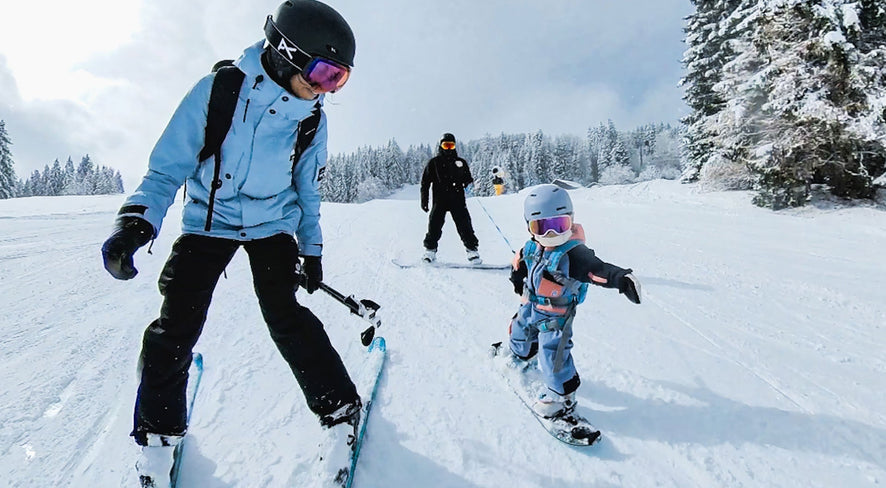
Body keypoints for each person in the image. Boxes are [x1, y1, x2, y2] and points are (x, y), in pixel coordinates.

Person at [100, 1, 360, 486]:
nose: (326, 89)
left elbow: (308, 191)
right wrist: (136, 221)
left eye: (339, 80)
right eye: (324, 73)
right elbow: (167, 166)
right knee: (174, 326)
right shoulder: (217, 92)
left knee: (286, 317)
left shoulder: (311, 120)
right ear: (286, 52)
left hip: (271, 225)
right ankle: (158, 436)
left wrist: (312, 249)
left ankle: (340, 408)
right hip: (208, 222)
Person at [504, 184, 641, 418]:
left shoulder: (573, 254)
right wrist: (517, 279)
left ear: (571, 221)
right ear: (529, 227)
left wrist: (621, 279)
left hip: (556, 317)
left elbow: (597, 270)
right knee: (519, 330)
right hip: (530, 306)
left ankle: (562, 396)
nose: (552, 235)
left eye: (559, 226)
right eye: (542, 227)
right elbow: (520, 265)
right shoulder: (531, 246)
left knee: (554, 354)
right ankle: (521, 355)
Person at [420, 133, 481, 264]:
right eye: (445, 145)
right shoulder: (434, 163)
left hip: (457, 199)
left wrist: (467, 184)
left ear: (454, 146)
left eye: (451, 145)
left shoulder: (460, 162)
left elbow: (468, 179)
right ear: (441, 146)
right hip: (440, 200)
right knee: (434, 224)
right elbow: (425, 183)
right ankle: (430, 250)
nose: (448, 148)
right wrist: (424, 201)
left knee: (464, 224)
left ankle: (472, 250)